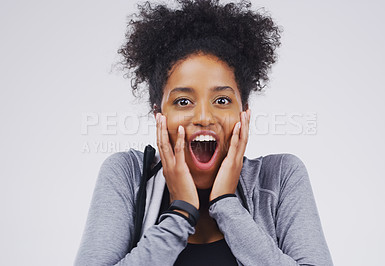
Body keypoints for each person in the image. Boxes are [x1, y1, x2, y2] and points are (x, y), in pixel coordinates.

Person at [74, 0, 333, 265]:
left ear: (244, 112)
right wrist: (181, 213)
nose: (204, 117)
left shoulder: (279, 177)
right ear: (158, 115)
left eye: (221, 100)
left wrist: (225, 204)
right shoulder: (127, 175)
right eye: (183, 102)